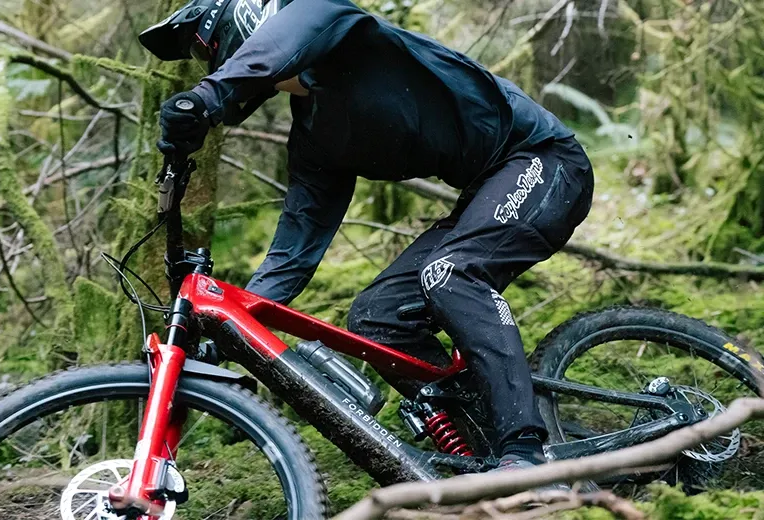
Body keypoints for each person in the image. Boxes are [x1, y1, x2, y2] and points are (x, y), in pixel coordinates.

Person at [139, 0, 594, 472]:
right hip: (488, 186)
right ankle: (485, 441)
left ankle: (525, 448)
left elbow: (287, 39)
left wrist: (207, 97)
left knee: (450, 274)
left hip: (546, 160)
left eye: (203, 47)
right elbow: (293, 253)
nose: (205, 59)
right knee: (377, 319)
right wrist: (229, 323)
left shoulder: (332, 20)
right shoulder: (316, 138)